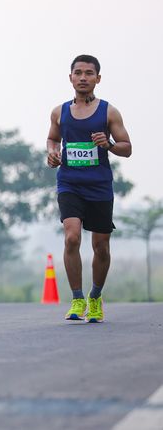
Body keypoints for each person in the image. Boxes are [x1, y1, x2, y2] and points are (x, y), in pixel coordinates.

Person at [46, 54, 132, 323]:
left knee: (101, 246)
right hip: (69, 183)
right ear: (70, 77)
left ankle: (95, 297)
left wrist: (109, 145)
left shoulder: (109, 112)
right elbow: (52, 139)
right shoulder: (59, 112)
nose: (83, 78)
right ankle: (77, 298)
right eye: (78, 73)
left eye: (89, 73)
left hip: (99, 185)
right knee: (71, 237)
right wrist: (52, 153)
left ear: (98, 78)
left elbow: (127, 148)